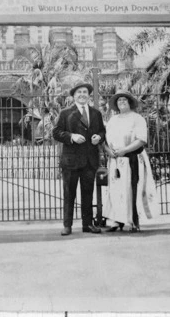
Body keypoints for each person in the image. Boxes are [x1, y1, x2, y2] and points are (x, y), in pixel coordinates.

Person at [53, 81, 106, 236]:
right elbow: (56, 132)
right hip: (71, 161)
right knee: (69, 194)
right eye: (79, 92)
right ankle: (67, 225)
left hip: (90, 161)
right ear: (74, 96)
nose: (82, 95)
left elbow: (102, 131)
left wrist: (99, 137)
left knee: (87, 193)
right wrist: (71, 136)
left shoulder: (96, 113)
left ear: (88, 95)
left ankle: (87, 224)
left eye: (85, 92)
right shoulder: (65, 113)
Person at [103, 90, 158, 232]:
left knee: (131, 189)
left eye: (124, 100)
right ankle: (116, 221)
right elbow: (105, 140)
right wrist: (110, 151)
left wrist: (125, 150)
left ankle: (132, 221)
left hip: (132, 158)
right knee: (116, 190)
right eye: (119, 100)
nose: (121, 102)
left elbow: (141, 140)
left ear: (130, 103)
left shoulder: (137, 118)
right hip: (116, 160)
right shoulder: (112, 120)